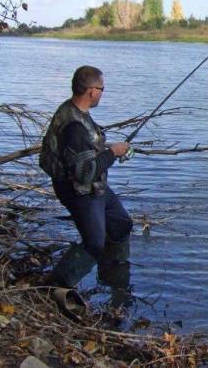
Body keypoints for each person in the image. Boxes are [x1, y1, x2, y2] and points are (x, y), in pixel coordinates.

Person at [40, 65, 133, 274]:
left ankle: (113, 271)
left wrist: (108, 149)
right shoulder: (75, 126)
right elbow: (84, 174)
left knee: (120, 224)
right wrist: (113, 153)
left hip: (93, 186)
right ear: (92, 91)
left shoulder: (74, 110)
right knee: (94, 244)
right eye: (102, 88)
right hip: (78, 190)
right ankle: (58, 285)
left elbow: (84, 150)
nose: (102, 93)